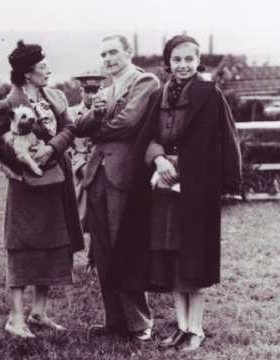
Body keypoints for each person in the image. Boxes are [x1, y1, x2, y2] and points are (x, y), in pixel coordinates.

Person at [110, 35, 242, 351]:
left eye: (189, 59)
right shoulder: (159, 95)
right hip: (163, 192)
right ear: (168, 62)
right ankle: (181, 329)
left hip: (196, 192)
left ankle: (195, 329)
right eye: (177, 59)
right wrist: (157, 158)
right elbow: (148, 135)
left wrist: (222, 181)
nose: (182, 65)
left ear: (198, 61)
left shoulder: (210, 94)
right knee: (172, 260)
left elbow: (227, 139)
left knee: (193, 262)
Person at [0, 40, 84, 338]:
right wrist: (23, 159)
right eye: (43, 67)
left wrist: (51, 148)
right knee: (23, 247)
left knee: (53, 244)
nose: (48, 70)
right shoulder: (8, 104)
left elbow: (70, 128)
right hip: (27, 186)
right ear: (27, 73)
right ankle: (15, 318)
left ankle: (39, 312)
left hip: (56, 180)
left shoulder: (55, 96)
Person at [75, 34, 160, 340]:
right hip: (97, 174)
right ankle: (115, 321)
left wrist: (98, 129)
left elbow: (128, 122)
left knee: (126, 248)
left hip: (124, 175)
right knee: (103, 251)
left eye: (113, 52)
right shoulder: (107, 89)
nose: (108, 59)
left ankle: (139, 323)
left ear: (129, 52)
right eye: (104, 54)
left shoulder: (144, 81)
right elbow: (79, 126)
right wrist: (96, 115)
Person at [69, 73, 107, 269]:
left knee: (100, 217)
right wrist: (81, 167)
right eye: (88, 91)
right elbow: (72, 147)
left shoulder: (107, 111)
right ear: (81, 91)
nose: (92, 95)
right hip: (80, 171)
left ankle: (94, 259)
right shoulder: (72, 113)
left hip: (101, 169)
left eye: (96, 90)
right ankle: (66, 260)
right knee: (74, 216)